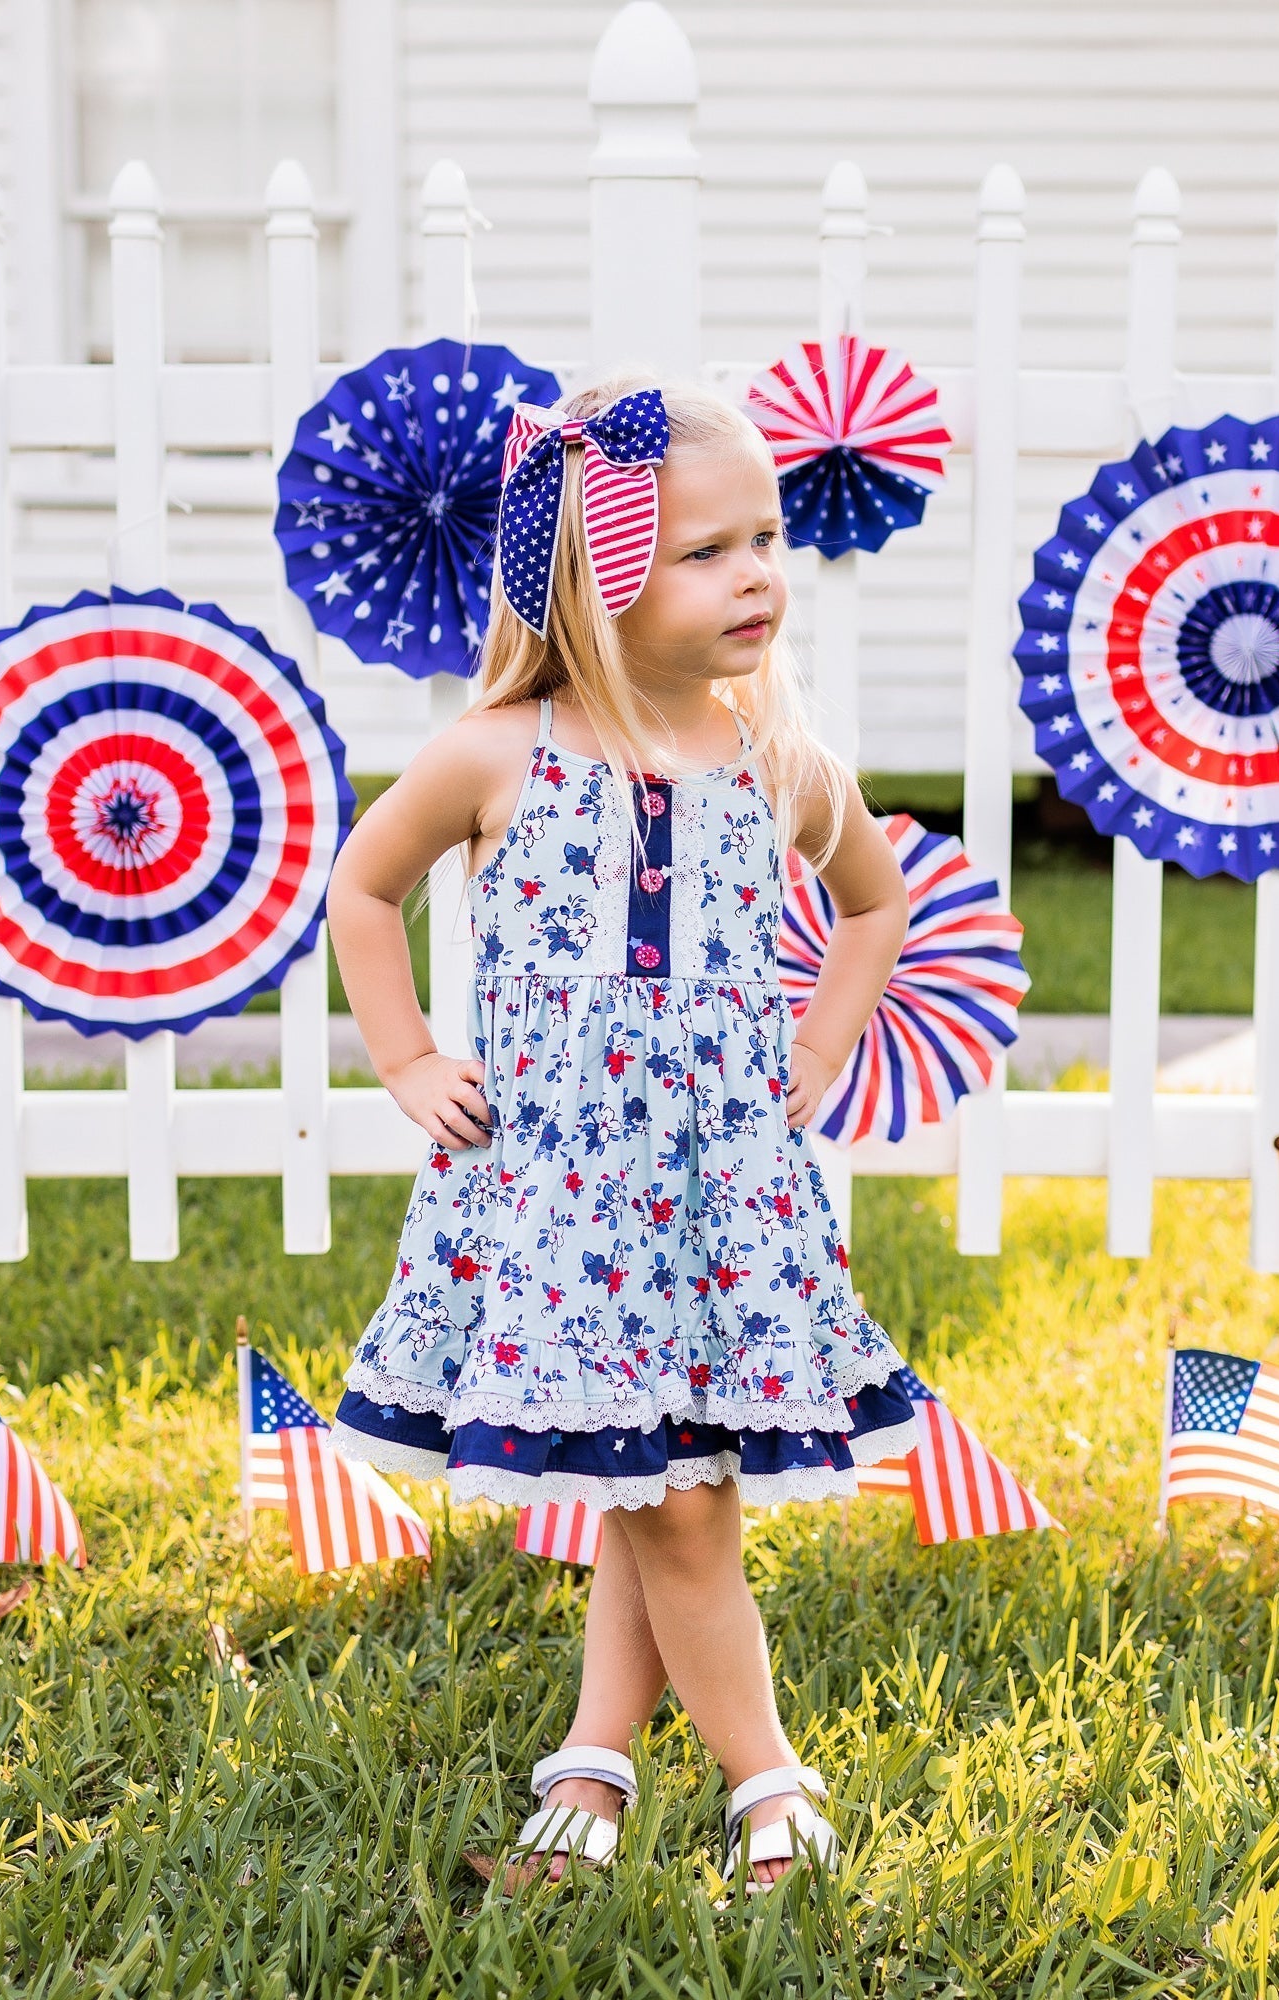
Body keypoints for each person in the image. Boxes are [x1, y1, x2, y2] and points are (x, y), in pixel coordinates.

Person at [325, 373, 916, 1890]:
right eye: (708, 549)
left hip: (715, 1197)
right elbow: (363, 887)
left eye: (768, 539)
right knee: (669, 1498)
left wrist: (824, 1036)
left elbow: (872, 905)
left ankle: (606, 1755)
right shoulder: (498, 751)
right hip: (564, 1197)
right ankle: (760, 1773)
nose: (759, 575)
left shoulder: (775, 764)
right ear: (593, 574)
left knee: (658, 1481)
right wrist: (403, 1055)